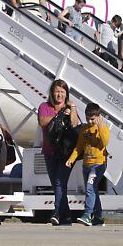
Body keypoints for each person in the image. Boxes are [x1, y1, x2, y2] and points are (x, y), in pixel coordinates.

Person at [37, 79, 80, 225]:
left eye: (62, 92)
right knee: (57, 185)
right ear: (52, 92)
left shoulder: (69, 107)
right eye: (57, 91)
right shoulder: (44, 106)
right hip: (49, 151)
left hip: (65, 152)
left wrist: (72, 108)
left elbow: (74, 124)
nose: (59, 94)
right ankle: (66, 217)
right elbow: (43, 121)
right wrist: (60, 116)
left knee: (59, 181)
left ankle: (56, 213)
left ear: (66, 94)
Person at [64, 102, 110, 227]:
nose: (90, 121)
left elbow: (105, 142)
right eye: (88, 118)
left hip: (99, 164)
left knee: (90, 187)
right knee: (92, 190)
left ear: (98, 117)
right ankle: (99, 217)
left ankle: (87, 214)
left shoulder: (103, 128)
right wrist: (71, 159)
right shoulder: (84, 129)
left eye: (93, 119)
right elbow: (79, 147)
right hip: (86, 164)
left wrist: (100, 127)